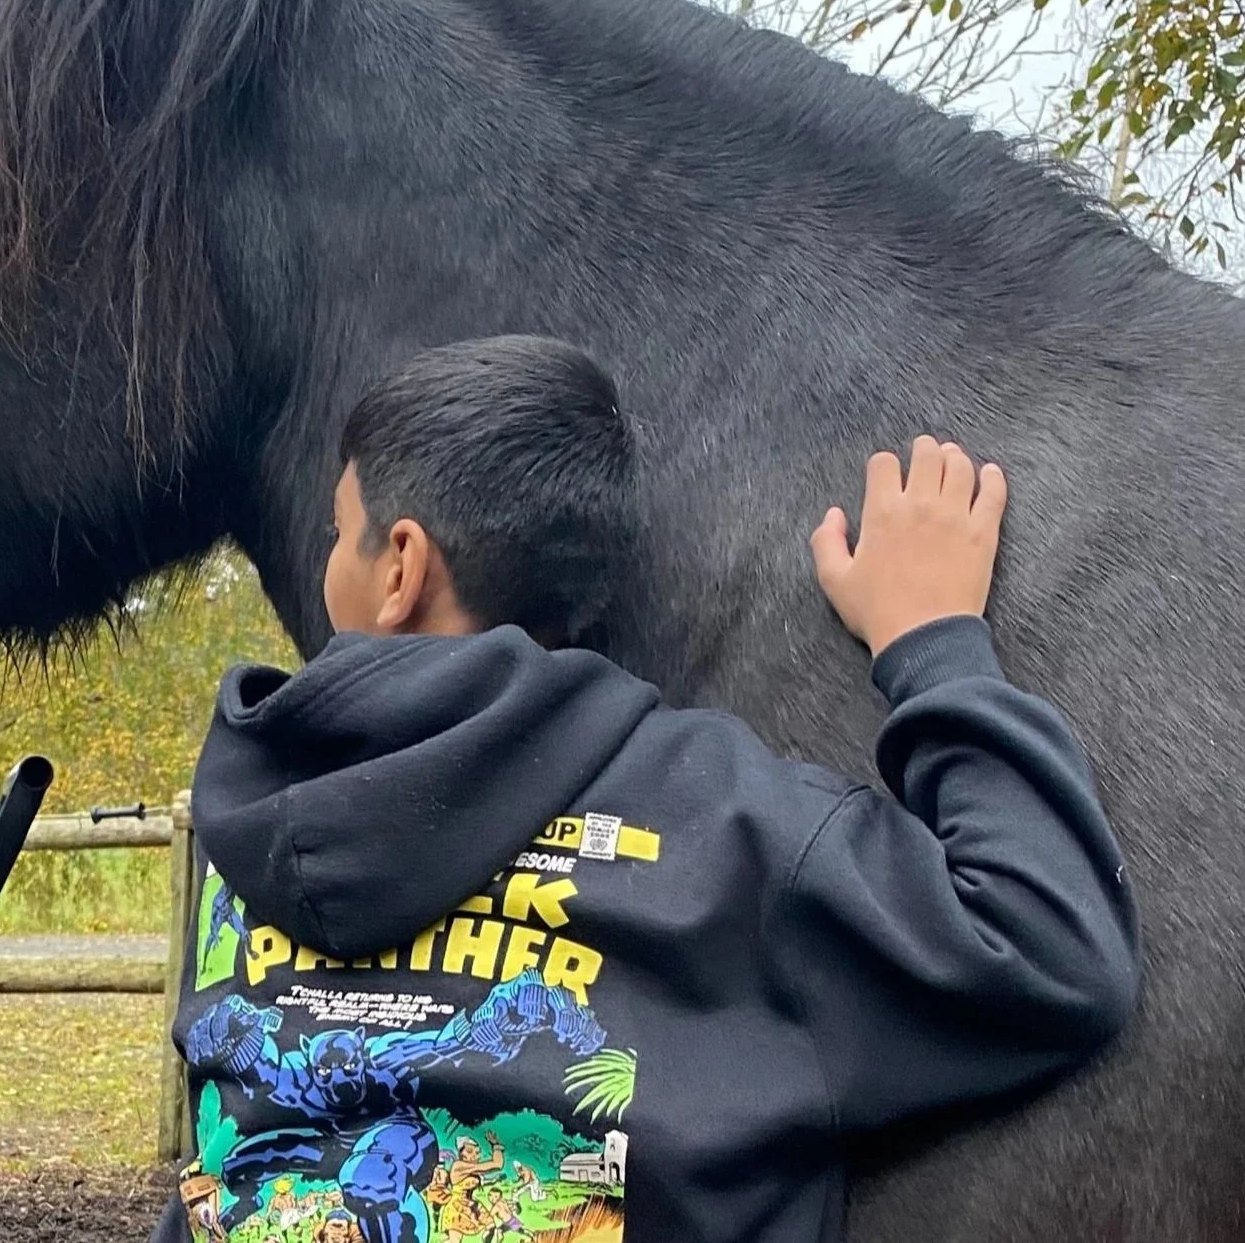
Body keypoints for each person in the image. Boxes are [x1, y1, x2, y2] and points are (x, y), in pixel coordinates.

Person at [166, 335, 1139, 1243]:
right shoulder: (714, 820)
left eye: (341, 532)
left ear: (402, 568)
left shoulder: (246, 832)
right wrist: (933, 644)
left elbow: (214, 1182)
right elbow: (1043, 947)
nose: (326, 560)